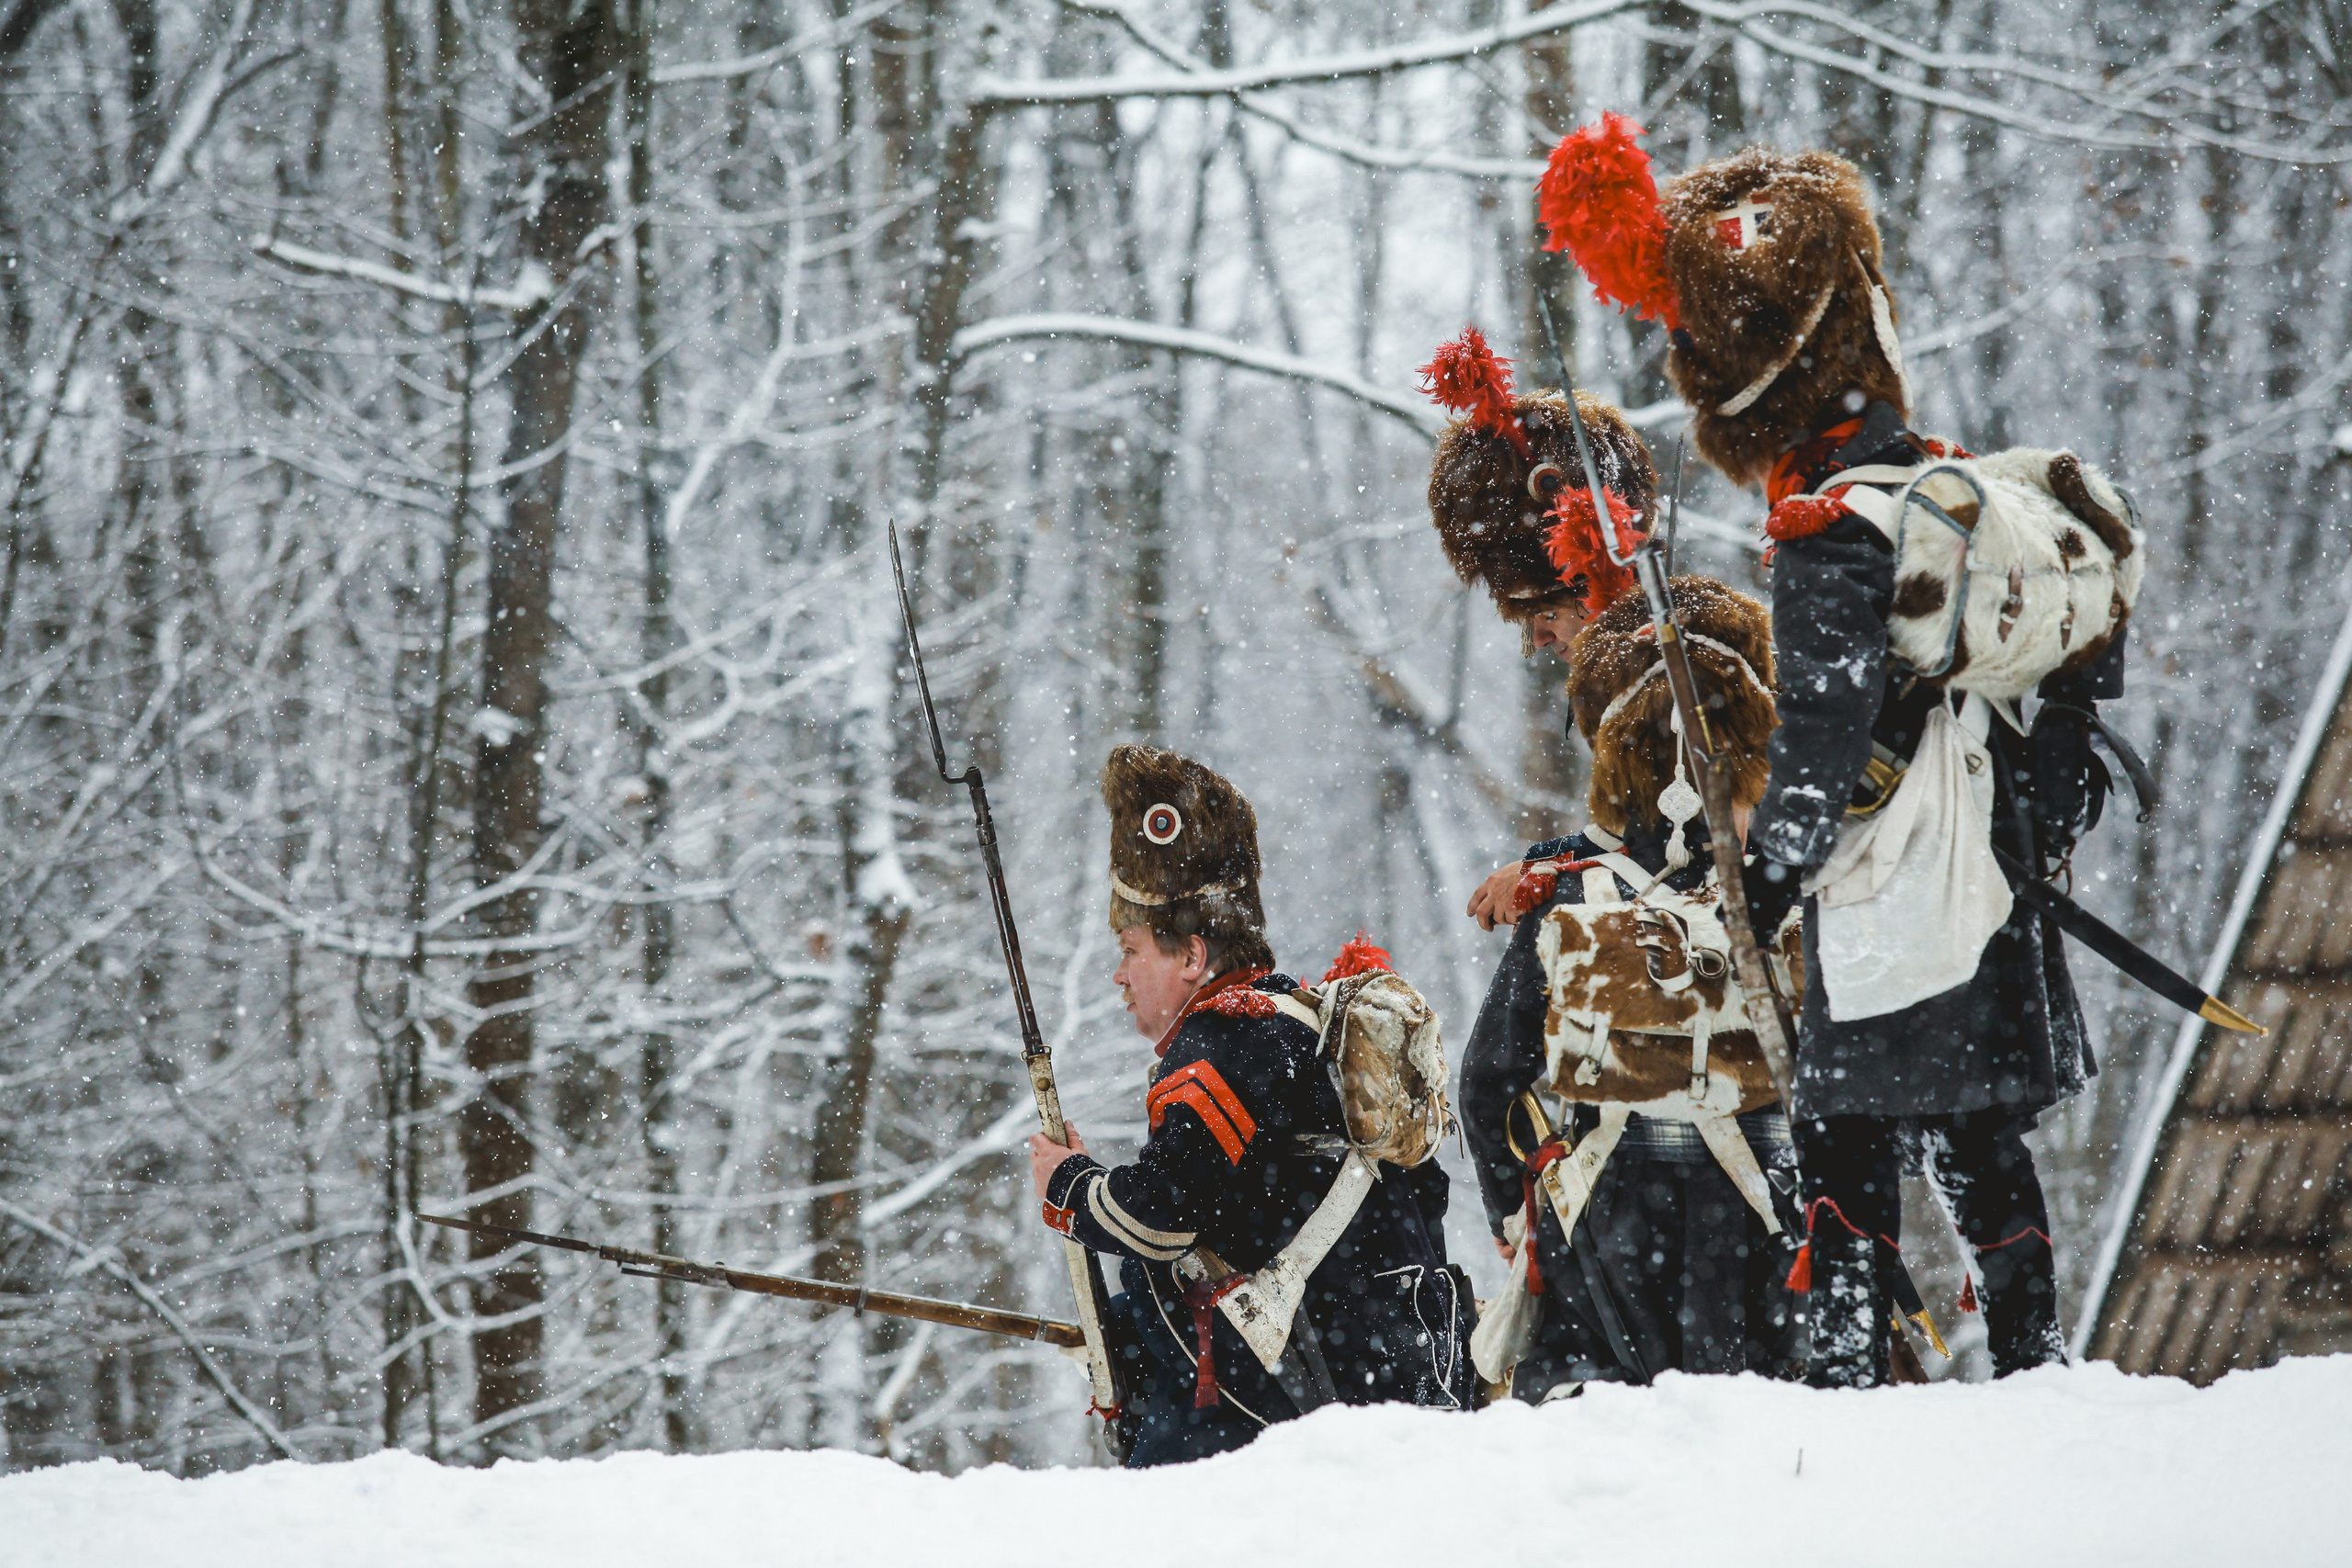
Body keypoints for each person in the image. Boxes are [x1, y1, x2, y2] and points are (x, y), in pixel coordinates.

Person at [1536, 120, 2121, 1383]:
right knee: (1981, 1146)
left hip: (1895, 893)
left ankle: (1851, 1390)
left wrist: (1771, 866)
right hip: (1988, 873)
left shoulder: (1821, 521)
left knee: (1843, 1158)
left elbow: (1826, 728)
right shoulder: (1928, 479)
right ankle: (2037, 1365)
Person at [1026, 745, 1475, 1466]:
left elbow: (1161, 1216)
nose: (1118, 973)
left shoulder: (1218, 1038)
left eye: (1132, 945)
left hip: (1280, 1421)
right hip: (1384, 1377)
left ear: (1193, 957)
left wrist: (1069, 1182)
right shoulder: (1297, 1018)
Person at [1415, 326, 1659, 932]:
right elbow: (1633, 843)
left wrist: (1547, 873)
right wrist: (1545, 863)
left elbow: (1683, 857)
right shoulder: (1632, 669)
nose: (1542, 642)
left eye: (1545, 614)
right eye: (1528, 624)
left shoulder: (1674, 662)